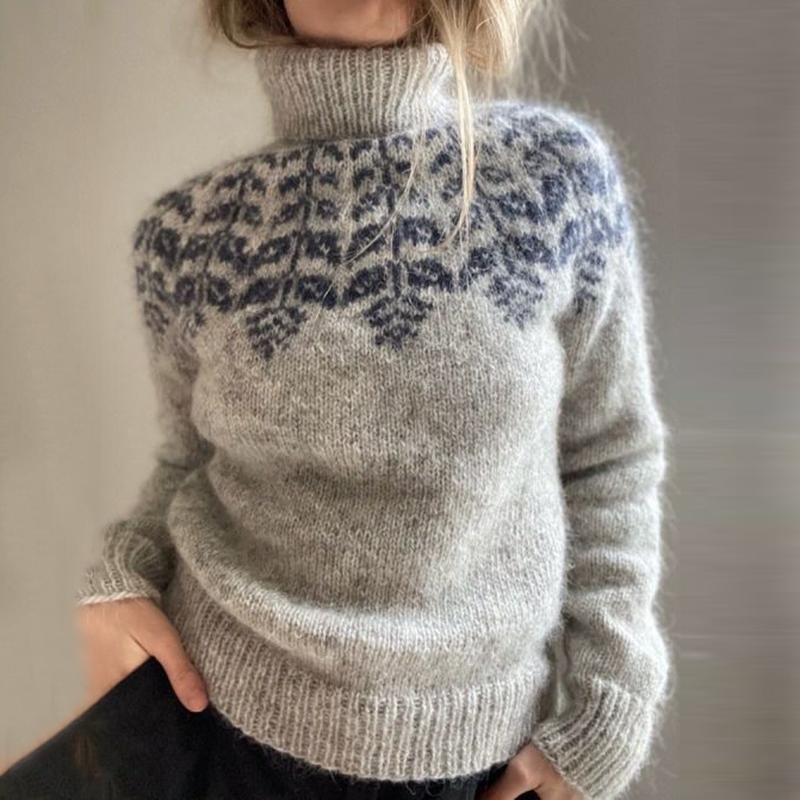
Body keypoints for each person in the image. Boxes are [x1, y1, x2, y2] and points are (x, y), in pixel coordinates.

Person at [1, 2, 673, 799]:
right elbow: (187, 461)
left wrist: (608, 705)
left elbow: (608, 454)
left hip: (472, 766)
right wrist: (116, 576)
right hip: (202, 723)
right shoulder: (187, 237)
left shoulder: (550, 180)